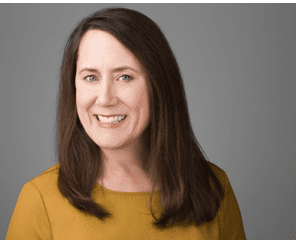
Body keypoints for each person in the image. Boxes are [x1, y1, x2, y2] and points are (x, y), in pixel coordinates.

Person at [6, 7, 246, 239]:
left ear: (159, 86)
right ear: (74, 87)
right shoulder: (39, 199)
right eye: (91, 77)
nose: (105, 98)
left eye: (125, 77)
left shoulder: (213, 189)